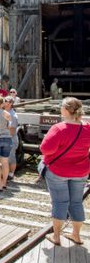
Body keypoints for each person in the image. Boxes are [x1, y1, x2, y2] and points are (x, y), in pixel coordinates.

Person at [41, 97, 90, 246]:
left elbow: (45, 149)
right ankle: (76, 235)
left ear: (66, 110)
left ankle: (56, 236)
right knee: (76, 202)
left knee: (60, 202)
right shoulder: (87, 127)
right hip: (81, 172)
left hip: (58, 172)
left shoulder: (59, 128)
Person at [4, 96, 19, 180]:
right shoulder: (4, 112)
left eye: (6, 101)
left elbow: (12, 131)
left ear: (10, 104)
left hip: (10, 139)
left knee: (11, 157)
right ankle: (6, 172)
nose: (4, 102)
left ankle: (11, 173)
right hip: (4, 137)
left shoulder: (12, 116)